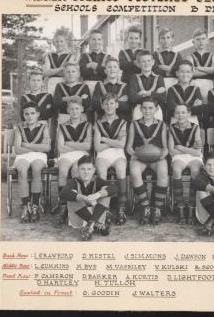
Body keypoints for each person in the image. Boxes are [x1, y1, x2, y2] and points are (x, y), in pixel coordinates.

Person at [126, 97, 169, 225]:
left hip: (156, 157)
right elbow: (128, 146)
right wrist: (133, 154)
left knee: (163, 170)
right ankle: (145, 207)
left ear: (156, 109)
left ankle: (157, 208)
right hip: (140, 157)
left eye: (150, 108)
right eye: (144, 108)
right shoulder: (134, 124)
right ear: (140, 109)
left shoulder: (162, 124)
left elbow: (165, 147)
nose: (147, 110)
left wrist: (164, 153)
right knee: (134, 171)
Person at [60, 155, 118, 241]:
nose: (86, 172)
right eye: (82, 169)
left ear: (94, 170)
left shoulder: (97, 180)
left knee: (105, 192)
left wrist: (98, 194)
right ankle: (96, 225)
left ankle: (90, 227)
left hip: (96, 213)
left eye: (89, 169)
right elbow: (63, 192)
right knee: (72, 195)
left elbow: (114, 188)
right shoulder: (73, 181)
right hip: (78, 218)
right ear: (78, 170)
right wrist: (84, 198)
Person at [54, 98, 92, 224]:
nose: (74, 111)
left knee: (77, 170)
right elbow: (60, 147)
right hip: (66, 154)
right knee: (63, 170)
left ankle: (77, 204)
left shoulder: (87, 125)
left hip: (82, 154)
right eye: (71, 109)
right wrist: (78, 144)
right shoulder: (62, 126)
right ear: (67, 110)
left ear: (82, 109)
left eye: (77, 108)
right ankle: (63, 205)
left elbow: (88, 146)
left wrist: (70, 143)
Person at [13, 102, 51, 223]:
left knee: (36, 169)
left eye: (32, 113)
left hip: (39, 156)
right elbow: (18, 149)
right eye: (26, 114)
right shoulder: (19, 128)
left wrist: (26, 144)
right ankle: (25, 207)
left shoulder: (44, 127)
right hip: (22, 155)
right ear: (23, 115)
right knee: (22, 170)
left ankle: (35, 206)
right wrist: (38, 146)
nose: (30, 116)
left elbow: (47, 148)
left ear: (38, 114)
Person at [94, 93, 128, 225]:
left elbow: (121, 145)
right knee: (102, 171)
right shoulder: (98, 123)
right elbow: (97, 147)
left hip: (118, 153)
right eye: (106, 104)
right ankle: (104, 208)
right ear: (102, 106)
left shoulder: (123, 122)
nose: (109, 106)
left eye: (112, 103)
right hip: (103, 154)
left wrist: (105, 139)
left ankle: (121, 208)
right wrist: (114, 141)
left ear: (117, 105)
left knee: (121, 170)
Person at [168, 103, 203, 225]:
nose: (180, 115)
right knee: (176, 170)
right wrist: (189, 149)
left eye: (183, 112)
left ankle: (192, 208)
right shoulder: (171, 128)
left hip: (193, 156)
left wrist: (181, 147)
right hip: (178, 156)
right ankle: (181, 207)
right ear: (174, 114)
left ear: (189, 114)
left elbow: (198, 152)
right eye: (177, 112)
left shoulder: (195, 127)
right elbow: (171, 150)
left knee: (195, 171)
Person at [128, 50, 166, 121]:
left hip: (155, 108)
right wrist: (155, 94)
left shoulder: (159, 78)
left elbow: (163, 98)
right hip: (140, 108)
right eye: (143, 61)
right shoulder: (134, 78)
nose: (146, 63)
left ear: (153, 62)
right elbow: (133, 99)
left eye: (149, 61)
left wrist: (144, 93)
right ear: (138, 64)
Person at [166, 60, 204, 125]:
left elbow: (199, 110)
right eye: (182, 72)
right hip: (176, 120)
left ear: (192, 74)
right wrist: (192, 106)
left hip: (192, 120)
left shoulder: (196, 89)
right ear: (177, 73)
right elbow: (171, 109)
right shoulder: (171, 89)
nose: (185, 74)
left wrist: (178, 108)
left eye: (188, 72)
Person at [43, 28, 79, 94]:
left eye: (61, 41)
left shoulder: (70, 56)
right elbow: (46, 73)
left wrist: (52, 71)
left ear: (65, 42)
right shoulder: (49, 55)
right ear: (54, 43)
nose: (59, 44)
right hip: (52, 83)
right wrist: (61, 69)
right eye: (57, 41)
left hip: (65, 82)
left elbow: (67, 73)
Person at [186, 28, 214, 103]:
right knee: (197, 106)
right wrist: (210, 71)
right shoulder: (190, 56)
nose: (201, 42)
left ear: (207, 40)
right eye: (198, 39)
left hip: (209, 84)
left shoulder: (212, 55)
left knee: (208, 107)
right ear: (193, 42)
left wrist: (200, 68)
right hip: (195, 83)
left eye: (203, 39)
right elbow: (192, 72)